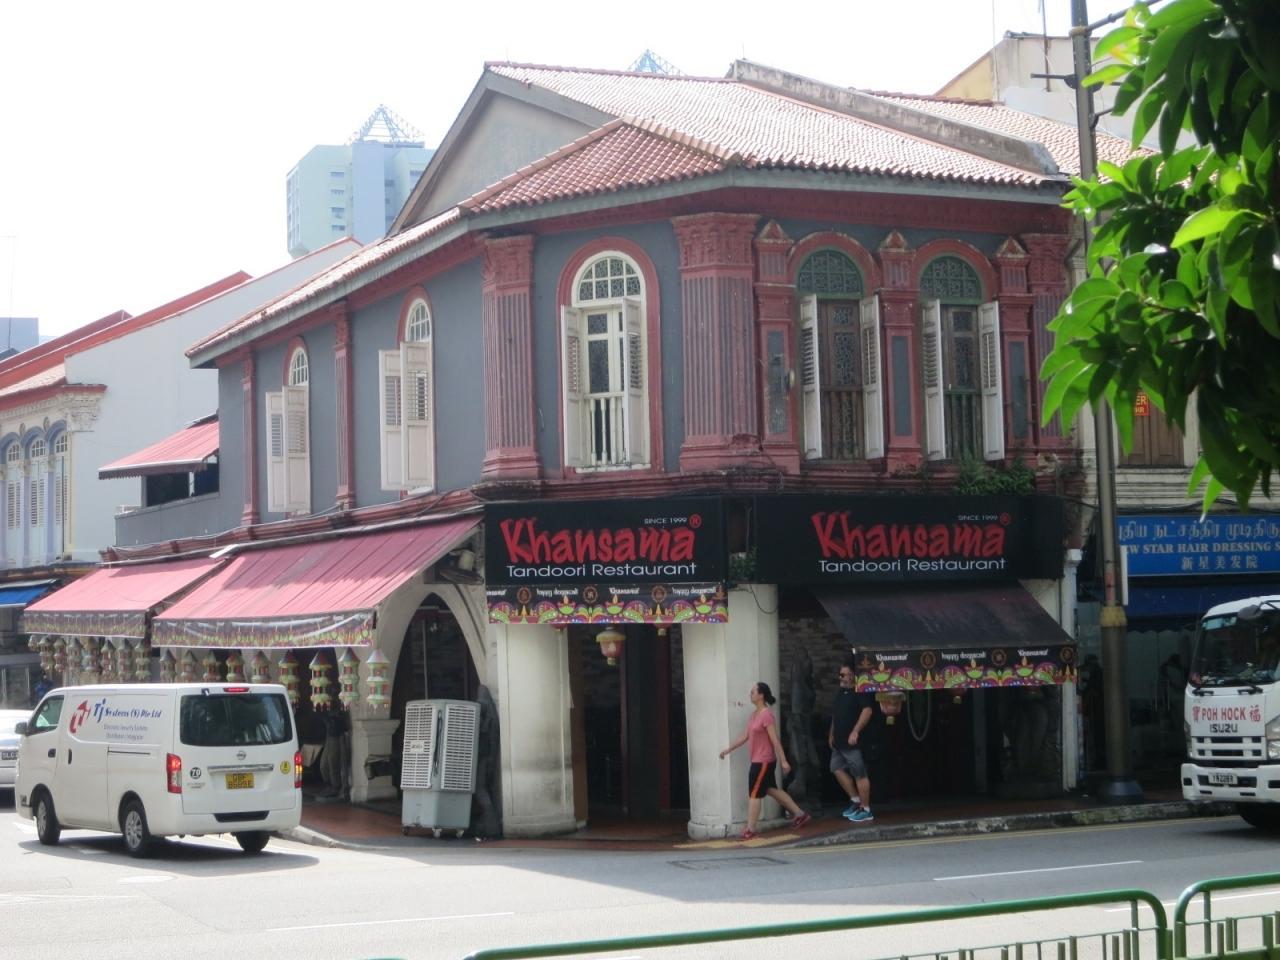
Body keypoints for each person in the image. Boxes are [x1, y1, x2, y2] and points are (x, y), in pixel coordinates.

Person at [720, 680, 812, 840]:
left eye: (753, 692)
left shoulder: (766, 715)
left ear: (761, 695)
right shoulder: (754, 715)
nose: (750, 694)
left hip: (763, 761)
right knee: (770, 789)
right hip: (758, 760)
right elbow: (745, 736)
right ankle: (800, 814)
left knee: (754, 793)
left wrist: (784, 761)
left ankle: (751, 829)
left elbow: (775, 739)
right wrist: (728, 749)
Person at [828, 662, 875, 823]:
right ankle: (855, 800)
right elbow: (835, 715)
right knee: (836, 768)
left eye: (844, 675)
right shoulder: (841, 692)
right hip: (839, 742)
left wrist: (856, 731)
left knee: (859, 773)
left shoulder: (860, 691)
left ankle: (866, 809)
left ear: (852, 675)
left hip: (852, 742)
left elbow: (867, 711)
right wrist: (831, 734)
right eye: (840, 675)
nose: (841, 678)